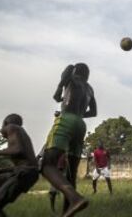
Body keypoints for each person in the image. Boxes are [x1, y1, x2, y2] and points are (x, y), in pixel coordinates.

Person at [41, 63, 97, 217]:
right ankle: (67, 212)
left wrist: (63, 80)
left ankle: (76, 198)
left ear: (75, 71)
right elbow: (94, 112)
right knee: (71, 175)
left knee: (46, 164)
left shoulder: (70, 76)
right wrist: (77, 114)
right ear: (87, 74)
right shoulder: (90, 88)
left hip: (66, 119)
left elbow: (56, 95)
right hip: (80, 124)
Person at [0, 114, 39, 217]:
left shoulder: (11, 127)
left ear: (5, 123)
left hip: (25, 173)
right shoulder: (20, 133)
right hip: (24, 172)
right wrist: (0, 170)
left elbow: (17, 150)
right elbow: (23, 163)